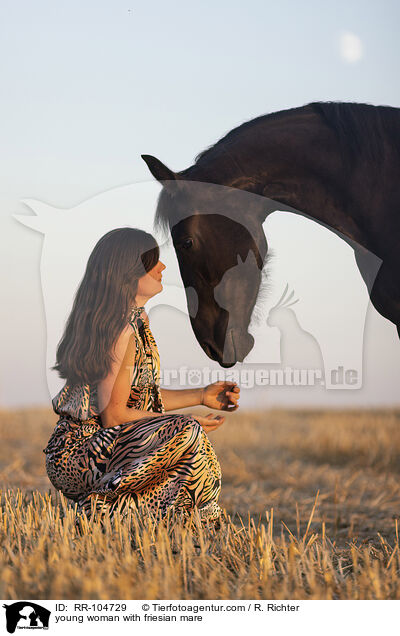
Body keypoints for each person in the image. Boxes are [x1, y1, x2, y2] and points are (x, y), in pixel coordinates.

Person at [43, 227, 240, 530]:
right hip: (79, 453)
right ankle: (97, 514)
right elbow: (115, 415)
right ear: (127, 271)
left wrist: (201, 395)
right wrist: (182, 425)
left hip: (107, 445)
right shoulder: (119, 330)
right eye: (153, 261)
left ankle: (160, 522)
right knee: (187, 433)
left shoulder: (134, 323)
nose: (162, 267)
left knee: (188, 446)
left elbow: (139, 398)